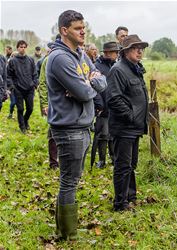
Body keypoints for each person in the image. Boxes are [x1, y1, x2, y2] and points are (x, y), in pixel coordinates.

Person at [46, 10, 106, 241]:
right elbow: (83, 92)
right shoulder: (60, 58)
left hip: (82, 126)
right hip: (69, 128)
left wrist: (90, 82)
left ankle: (65, 228)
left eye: (84, 27)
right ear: (64, 31)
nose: (83, 31)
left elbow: (99, 80)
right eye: (77, 28)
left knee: (72, 178)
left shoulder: (80, 54)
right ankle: (68, 233)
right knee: (69, 180)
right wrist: (87, 85)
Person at [106, 34, 149, 211]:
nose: (140, 51)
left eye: (141, 48)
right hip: (124, 127)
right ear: (125, 51)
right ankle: (120, 203)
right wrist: (131, 116)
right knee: (122, 166)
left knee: (131, 165)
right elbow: (114, 98)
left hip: (134, 127)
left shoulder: (135, 68)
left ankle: (130, 196)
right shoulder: (118, 70)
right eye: (135, 48)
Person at [91, 41, 119, 169]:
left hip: (116, 107)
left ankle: (114, 158)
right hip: (102, 107)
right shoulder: (96, 66)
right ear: (107, 53)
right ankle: (102, 160)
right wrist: (99, 104)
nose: (117, 54)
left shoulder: (118, 66)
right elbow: (92, 87)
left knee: (114, 134)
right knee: (102, 135)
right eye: (115, 52)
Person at [7, 40, 38, 133]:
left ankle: (25, 120)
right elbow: (9, 75)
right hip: (18, 89)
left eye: (24, 47)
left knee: (30, 108)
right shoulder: (12, 61)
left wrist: (35, 83)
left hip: (29, 88)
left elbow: (35, 73)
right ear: (17, 48)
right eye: (21, 47)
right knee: (20, 109)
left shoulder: (30, 60)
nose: (23, 49)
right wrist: (12, 86)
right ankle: (22, 127)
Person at [38, 41, 58, 169]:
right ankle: (53, 162)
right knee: (53, 131)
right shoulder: (48, 60)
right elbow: (43, 83)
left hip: (67, 104)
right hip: (52, 102)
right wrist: (44, 103)